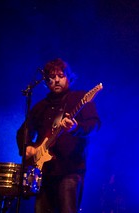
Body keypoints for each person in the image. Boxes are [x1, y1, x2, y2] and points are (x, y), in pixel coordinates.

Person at [17, 58, 101, 213]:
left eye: (60, 76)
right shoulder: (41, 106)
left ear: (69, 77)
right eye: (52, 77)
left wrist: (76, 128)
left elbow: (94, 125)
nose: (56, 80)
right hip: (44, 173)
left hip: (70, 169)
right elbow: (23, 131)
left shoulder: (79, 98)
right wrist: (28, 147)